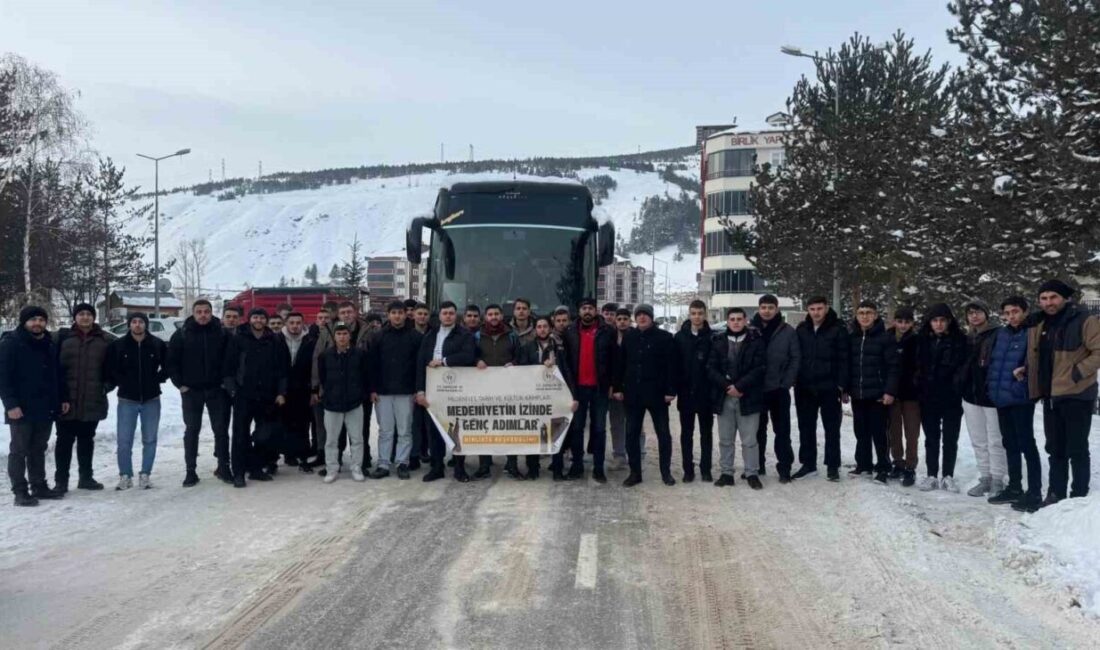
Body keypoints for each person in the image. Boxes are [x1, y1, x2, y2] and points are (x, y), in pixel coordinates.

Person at [1025, 279, 1099, 505]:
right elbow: (1042, 356)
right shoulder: (1040, 322)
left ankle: (1078, 498)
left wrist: (1077, 373)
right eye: (1044, 298)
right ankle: (1056, 494)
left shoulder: (1084, 319)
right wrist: (1028, 370)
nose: (1049, 302)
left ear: (1065, 298)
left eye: (1053, 297)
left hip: (1077, 394)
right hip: (1051, 395)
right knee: (1055, 448)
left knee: (1076, 448)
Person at [1, 306, 69, 506]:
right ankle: (20, 491)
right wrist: (10, 404)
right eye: (33, 320)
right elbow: (3, 377)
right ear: (24, 322)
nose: (37, 323)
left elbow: (57, 374)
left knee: (39, 448)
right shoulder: (11, 343)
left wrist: (62, 398)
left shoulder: (49, 343)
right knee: (19, 450)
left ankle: (39, 486)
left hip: (45, 405)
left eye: (41, 319)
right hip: (20, 407)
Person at [168, 299, 232, 486]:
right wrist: (179, 384)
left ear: (211, 313)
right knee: (192, 430)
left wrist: (224, 382)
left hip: (216, 389)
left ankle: (224, 466)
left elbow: (229, 359)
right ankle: (190, 471)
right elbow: (171, 361)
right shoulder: (182, 334)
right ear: (193, 313)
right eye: (199, 312)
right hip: (191, 391)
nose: (203, 315)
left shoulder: (222, 333)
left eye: (206, 311)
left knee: (220, 430)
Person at [986, 296, 1041, 511]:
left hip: (1021, 397)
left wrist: (1024, 379)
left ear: (1025, 311)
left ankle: (1034, 491)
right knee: (1009, 443)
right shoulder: (1001, 333)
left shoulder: (1032, 332)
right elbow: (994, 362)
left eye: (1015, 312)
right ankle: (1015, 486)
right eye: (1007, 313)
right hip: (1001, 398)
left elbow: (1037, 361)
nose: (1011, 316)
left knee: (1026, 442)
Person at [223, 308, 289, 488]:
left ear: (266, 320)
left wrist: (281, 392)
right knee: (240, 435)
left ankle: (256, 468)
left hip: (267, 396)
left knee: (264, 434)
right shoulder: (238, 338)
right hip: (244, 395)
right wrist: (233, 391)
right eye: (255, 317)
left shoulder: (274, 340)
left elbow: (283, 369)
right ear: (249, 319)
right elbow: (228, 368)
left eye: (262, 317)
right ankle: (238, 472)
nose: (258, 320)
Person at [613, 304, 677, 487]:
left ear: (651, 317)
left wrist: (671, 391)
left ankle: (666, 472)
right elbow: (621, 364)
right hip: (633, 394)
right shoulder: (629, 337)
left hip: (657, 394)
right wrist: (618, 387)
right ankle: (635, 473)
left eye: (645, 315)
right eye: (639, 315)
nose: (642, 318)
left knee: (663, 433)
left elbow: (672, 367)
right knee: (631, 433)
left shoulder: (665, 338)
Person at [54, 302, 113, 492]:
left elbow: (114, 369)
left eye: (88, 314)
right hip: (66, 401)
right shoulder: (62, 338)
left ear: (93, 317)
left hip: (93, 399)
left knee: (87, 440)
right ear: (75, 317)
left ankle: (86, 478)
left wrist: (106, 387)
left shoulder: (105, 340)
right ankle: (61, 481)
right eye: (81, 314)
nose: (85, 317)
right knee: (63, 441)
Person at [416, 301, 477, 482]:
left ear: (456, 315)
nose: (448, 316)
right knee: (435, 429)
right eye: (445, 313)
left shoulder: (464, 335)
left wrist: (443, 361)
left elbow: (468, 356)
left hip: (457, 390)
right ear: (440, 315)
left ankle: (459, 467)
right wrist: (420, 391)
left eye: (451, 313)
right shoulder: (430, 335)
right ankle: (437, 467)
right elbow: (421, 364)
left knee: (457, 428)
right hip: (434, 390)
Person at [106, 312, 168, 491]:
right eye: (134, 322)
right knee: (124, 440)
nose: (138, 325)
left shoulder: (156, 344)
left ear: (146, 324)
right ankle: (125, 475)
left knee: (150, 439)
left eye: (141, 322)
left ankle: (145, 474)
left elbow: (168, 365)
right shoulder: (118, 345)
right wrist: (122, 381)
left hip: (151, 399)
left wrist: (157, 379)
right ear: (129, 325)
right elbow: (110, 368)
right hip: (127, 399)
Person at [707, 307, 766, 490]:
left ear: (745, 320)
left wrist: (740, 387)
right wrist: (727, 387)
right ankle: (726, 472)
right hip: (724, 397)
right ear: (727, 321)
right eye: (732, 319)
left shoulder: (756, 341)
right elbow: (710, 368)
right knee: (725, 439)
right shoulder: (718, 341)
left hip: (748, 396)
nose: (736, 322)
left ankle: (752, 473)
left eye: (739, 319)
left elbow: (760, 368)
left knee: (749, 440)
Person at [792, 296, 848, 482]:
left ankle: (833, 466)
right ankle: (808, 464)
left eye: (819, 308)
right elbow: (795, 356)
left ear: (826, 308)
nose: (816, 312)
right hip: (805, 387)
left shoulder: (837, 329)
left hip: (829, 387)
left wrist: (841, 384)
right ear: (808, 310)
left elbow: (844, 358)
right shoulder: (802, 329)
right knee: (806, 426)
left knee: (831, 428)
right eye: (812, 309)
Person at [515, 316, 577, 480]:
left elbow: (567, 372)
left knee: (555, 432)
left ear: (550, 329)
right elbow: (522, 370)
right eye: (539, 326)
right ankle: (533, 469)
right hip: (534, 398)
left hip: (555, 397)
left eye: (545, 326)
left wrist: (573, 396)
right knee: (534, 433)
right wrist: (542, 364)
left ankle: (557, 470)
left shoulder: (559, 348)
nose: (542, 329)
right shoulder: (527, 347)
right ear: (535, 329)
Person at [560, 297, 615, 482]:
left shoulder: (607, 331)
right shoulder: (570, 332)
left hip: (600, 388)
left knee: (599, 429)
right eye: (584, 308)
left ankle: (599, 468)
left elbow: (614, 360)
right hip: (578, 389)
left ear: (595, 310)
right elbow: (565, 361)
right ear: (579, 311)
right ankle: (577, 466)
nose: (587, 311)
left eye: (591, 308)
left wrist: (612, 384)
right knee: (577, 428)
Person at [915, 304, 967, 493]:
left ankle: (948, 475)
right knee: (931, 438)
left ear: (949, 322)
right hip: (928, 396)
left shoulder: (960, 340)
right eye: (935, 320)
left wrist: (956, 385)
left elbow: (963, 366)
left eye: (942, 320)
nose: (938, 324)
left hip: (951, 397)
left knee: (951, 438)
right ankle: (931, 474)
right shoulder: (922, 340)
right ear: (930, 322)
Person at [845, 301, 899, 483]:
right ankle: (864, 464)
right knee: (861, 432)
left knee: (879, 433)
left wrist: (889, 391)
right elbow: (848, 367)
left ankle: (883, 467)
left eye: (869, 312)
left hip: (878, 395)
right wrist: (846, 389)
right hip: (858, 394)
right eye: (861, 313)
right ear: (856, 316)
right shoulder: (852, 337)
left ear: (875, 315)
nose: (865, 316)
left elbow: (893, 367)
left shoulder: (885, 338)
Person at [369, 301, 423, 480]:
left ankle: (402, 463)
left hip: (406, 391)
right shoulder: (378, 336)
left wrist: (418, 389)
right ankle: (383, 464)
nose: (397, 316)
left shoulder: (415, 336)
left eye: (400, 312)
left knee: (405, 430)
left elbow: (418, 365)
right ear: (388, 314)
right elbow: (372, 365)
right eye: (394, 313)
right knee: (385, 431)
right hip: (383, 392)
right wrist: (373, 388)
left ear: (406, 315)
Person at [957, 301, 1005, 497]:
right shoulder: (968, 337)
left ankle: (998, 479)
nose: (974, 316)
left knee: (995, 439)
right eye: (970, 313)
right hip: (970, 395)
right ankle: (985, 477)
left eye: (978, 312)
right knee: (978, 439)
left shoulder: (997, 333)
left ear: (986, 314)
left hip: (991, 396)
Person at [751, 294, 801, 482]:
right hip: (755, 390)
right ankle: (757, 466)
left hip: (778, 390)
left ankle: (785, 468)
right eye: (763, 307)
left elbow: (795, 358)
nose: (767, 311)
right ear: (759, 309)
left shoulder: (788, 331)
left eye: (770, 307)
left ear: (777, 309)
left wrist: (785, 382)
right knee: (756, 432)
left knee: (782, 431)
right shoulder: (751, 330)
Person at [316, 323, 369, 483]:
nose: (342, 337)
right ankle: (332, 468)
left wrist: (360, 394)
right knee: (331, 440)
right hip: (332, 404)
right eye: (338, 334)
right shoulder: (325, 355)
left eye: (345, 334)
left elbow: (364, 376)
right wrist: (328, 395)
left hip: (354, 403)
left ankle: (356, 468)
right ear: (334, 336)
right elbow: (323, 378)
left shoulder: (359, 354)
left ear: (349, 336)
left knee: (357, 438)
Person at [475, 304, 521, 478]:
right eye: (490, 314)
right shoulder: (477, 336)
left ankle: (512, 464)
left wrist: (514, 363)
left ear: (502, 316)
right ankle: (484, 465)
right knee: (484, 425)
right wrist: (477, 360)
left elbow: (520, 357)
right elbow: (471, 355)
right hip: (484, 388)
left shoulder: (512, 335)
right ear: (485, 317)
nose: (493, 317)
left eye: (496, 314)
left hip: (508, 387)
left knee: (510, 425)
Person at [674, 300, 714, 483]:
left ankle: (706, 469)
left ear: (705, 314)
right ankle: (688, 469)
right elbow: (673, 365)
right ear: (689, 315)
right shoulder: (680, 337)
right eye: (693, 313)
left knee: (706, 434)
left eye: (700, 313)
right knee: (686, 434)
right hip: (686, 393)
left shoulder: (713, 337)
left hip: (706, 394)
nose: (697, 317)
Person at [887, 307, 921, 485]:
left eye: (907, 322)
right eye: (900, 321)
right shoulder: (887, 338)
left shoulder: (917, 340)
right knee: (894, 431)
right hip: (892, 394)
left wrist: (916, 382)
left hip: (911, 395)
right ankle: (897, 462)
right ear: (894, 321)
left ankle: (910, 466)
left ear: (912, 323)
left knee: (912, 432)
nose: (903, 325)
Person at [279, 312, 317, 473]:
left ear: (303, 323)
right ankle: (288, 454)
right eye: (292, 322)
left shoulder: (309, 341)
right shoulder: (277, 340)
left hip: (303, 389)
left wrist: (313, 390)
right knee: (284, 423)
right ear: (286, 324)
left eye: (298, 322)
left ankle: (303, 457)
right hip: (283, 389)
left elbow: (313, 367)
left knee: (303, 424)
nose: (295, 325)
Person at [607, 307, 634, 469]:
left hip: (633, 388)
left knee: (634, 423)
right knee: (616, 423)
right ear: (615, 321)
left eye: (625, 318)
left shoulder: (637, 337)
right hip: (614, 388)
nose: (622, 321)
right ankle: (619, 455)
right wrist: (611, 386)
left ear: (630, 321)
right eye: (619, 319)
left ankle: (637, 454)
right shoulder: (610, 338)